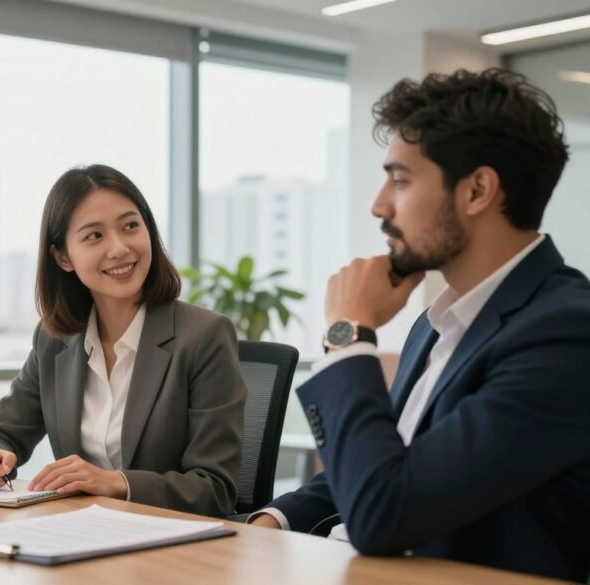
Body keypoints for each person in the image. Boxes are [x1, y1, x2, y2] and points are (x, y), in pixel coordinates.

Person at [250, 69, 590, 581]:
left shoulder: (566, 334)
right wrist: (272, 520)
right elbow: (382, 459)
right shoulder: (437, 324)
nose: (379, 205)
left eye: (400, 180)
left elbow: (384, 510)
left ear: (477, 190)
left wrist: (347, 332)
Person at [0, 164, 245, 517]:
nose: (119, 248)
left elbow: (216, 489)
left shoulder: (203, 336)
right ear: (63, 257)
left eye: (130, 226)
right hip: (84, 539)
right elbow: (2, 432)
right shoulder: (55, 340)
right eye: (94, 236)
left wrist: (116, 483)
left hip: (170, 549)